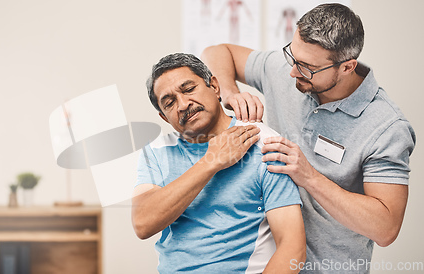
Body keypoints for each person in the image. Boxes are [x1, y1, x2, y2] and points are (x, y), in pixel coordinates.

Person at [201, 3, 416, 273]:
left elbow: (386, 229)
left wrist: (309, 176)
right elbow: (218, 52)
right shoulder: (288, 70)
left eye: (306, 67)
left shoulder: (386, 127)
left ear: (347, 67)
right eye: (292, 56)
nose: (292, 71)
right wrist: (230, 92)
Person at [131, 53, 306, 273]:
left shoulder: (263, 142)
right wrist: (211, 161)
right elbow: (143, 223)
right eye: (170, 102)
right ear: (165, 117)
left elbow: (293, 249)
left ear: (214, 86)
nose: (183, 104)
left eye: (188, 89)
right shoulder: (157, 152)